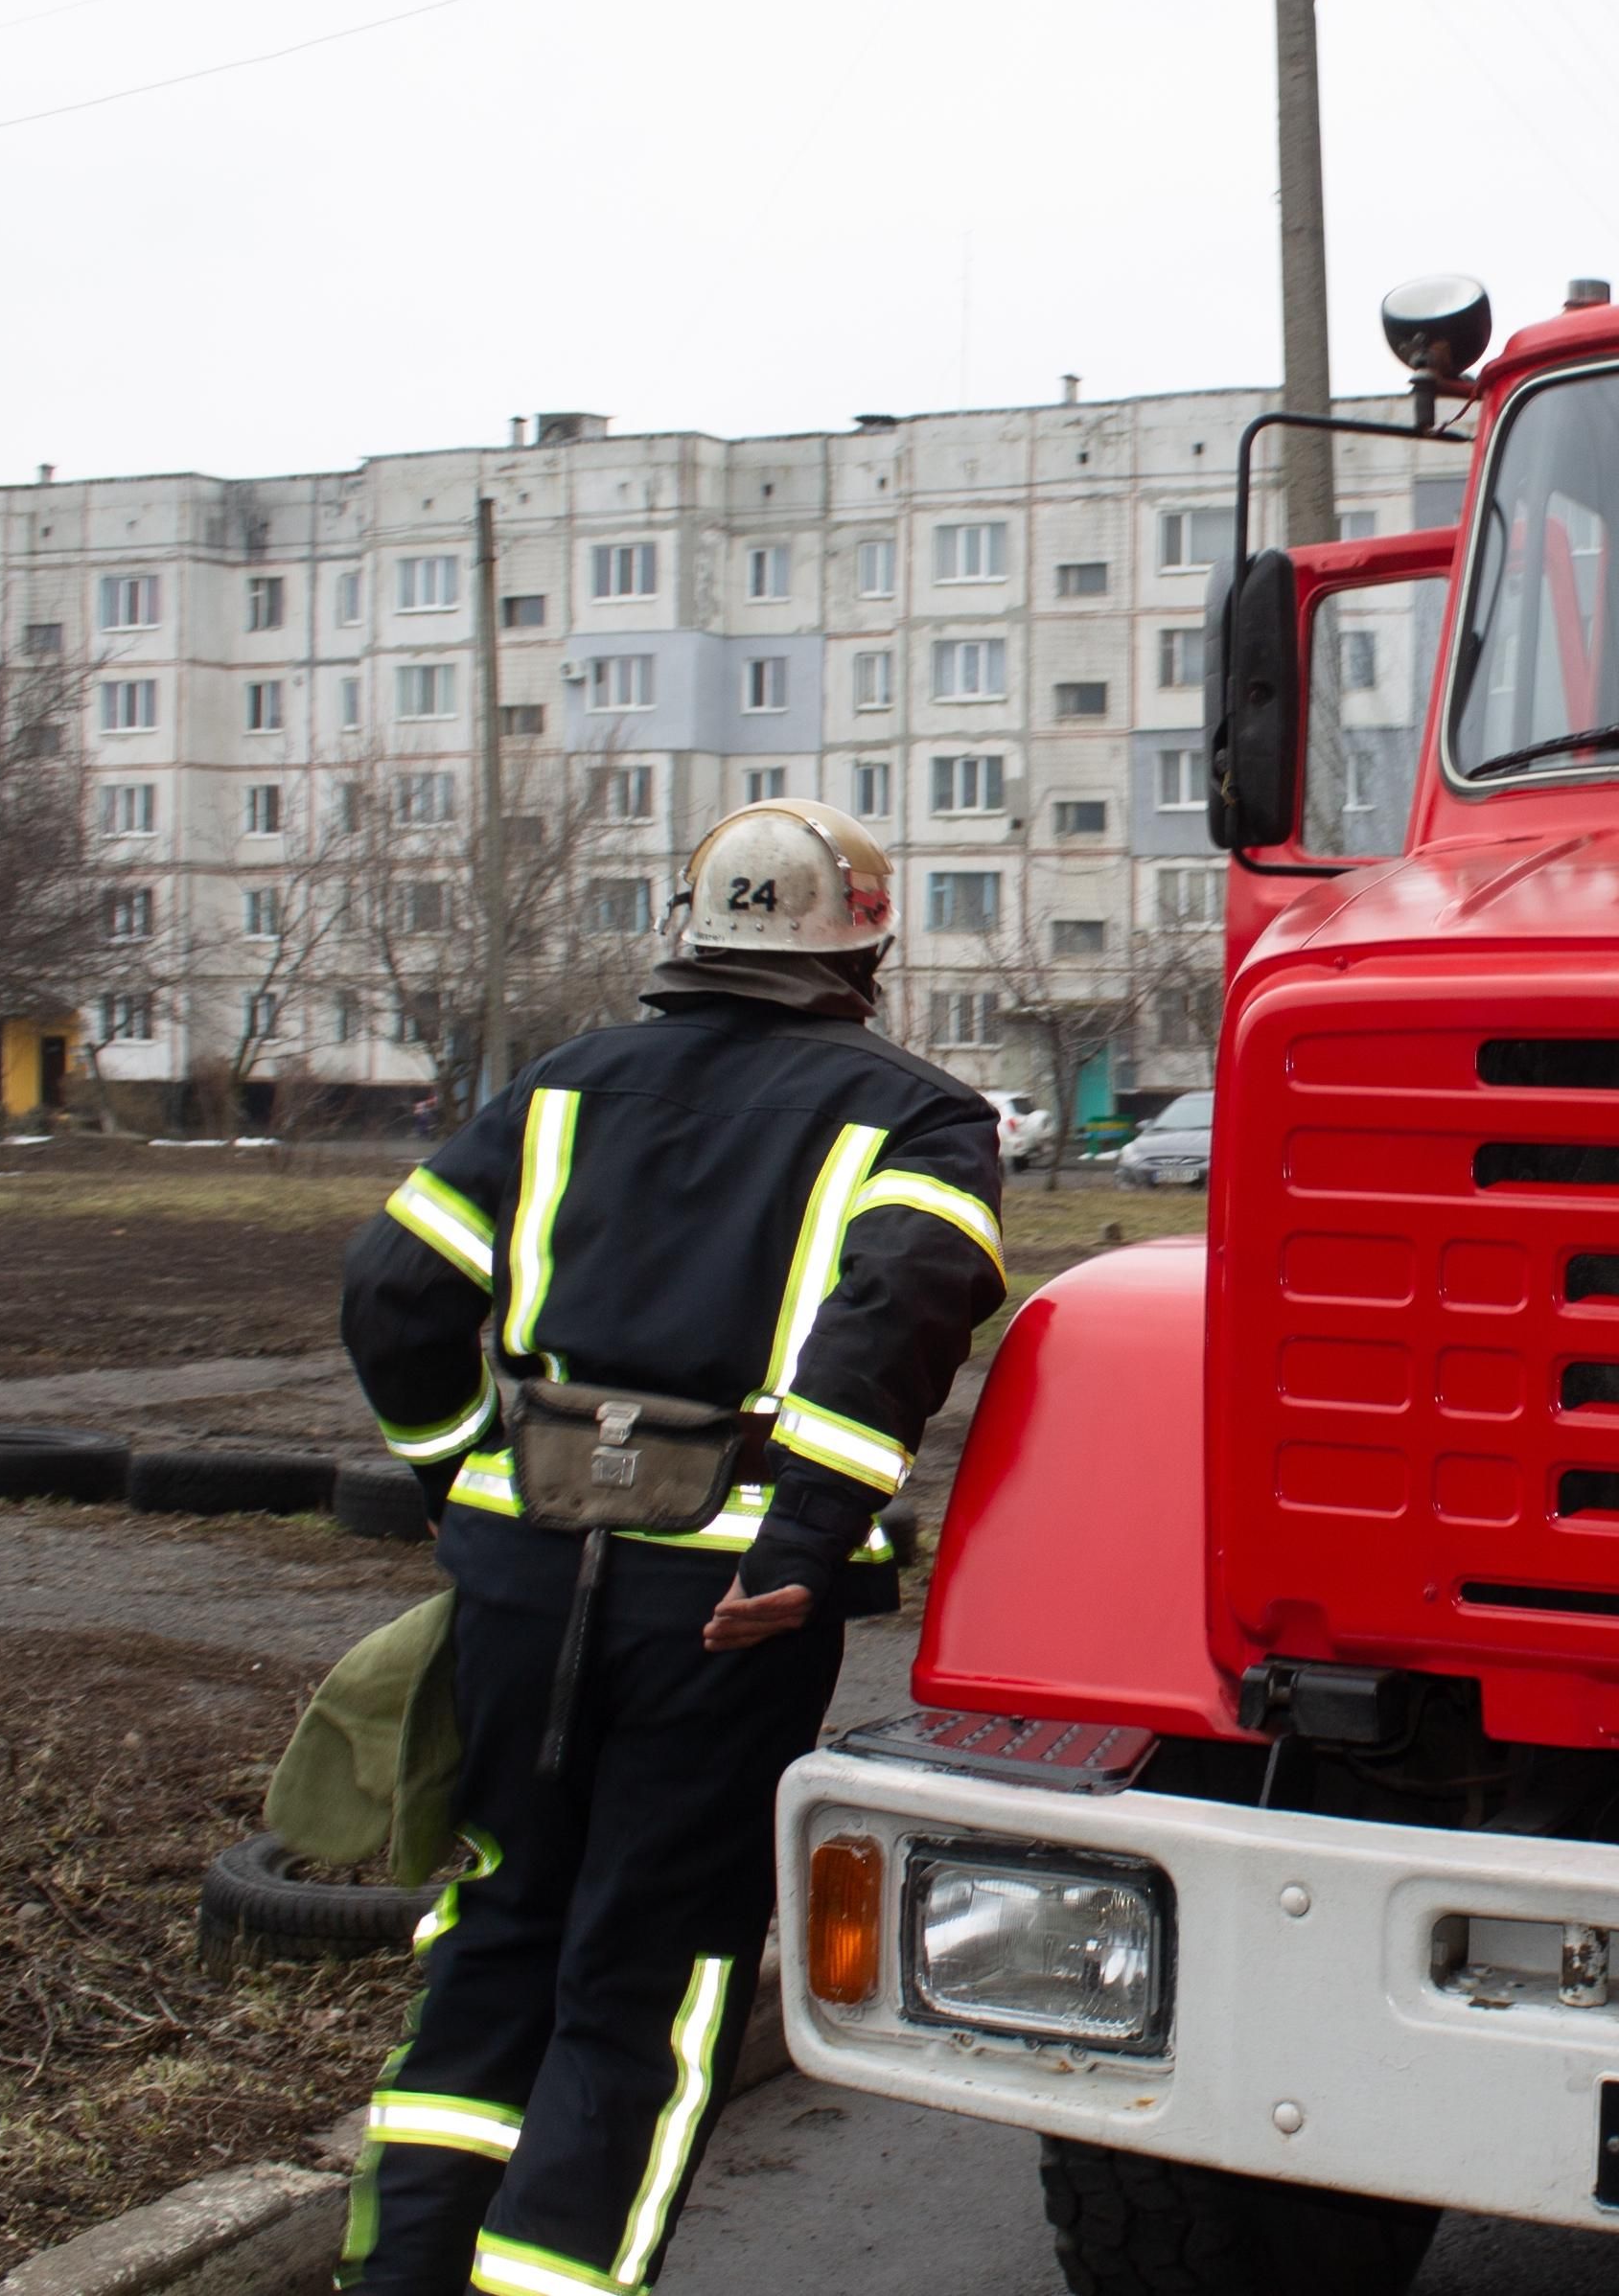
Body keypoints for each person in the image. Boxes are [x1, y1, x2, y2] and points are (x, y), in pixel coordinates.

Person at [334, 798, 1007, 2295]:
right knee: (649, 1966)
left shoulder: (560, 1086)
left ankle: (402, 2279)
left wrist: (460, 1476)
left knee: (498, 1925)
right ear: (868, 947)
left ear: (685, 937)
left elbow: (392, 1291)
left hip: (518, 1573)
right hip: (727, 1601)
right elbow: (900, 1306)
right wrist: (807, 1536)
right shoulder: (919, 1116)